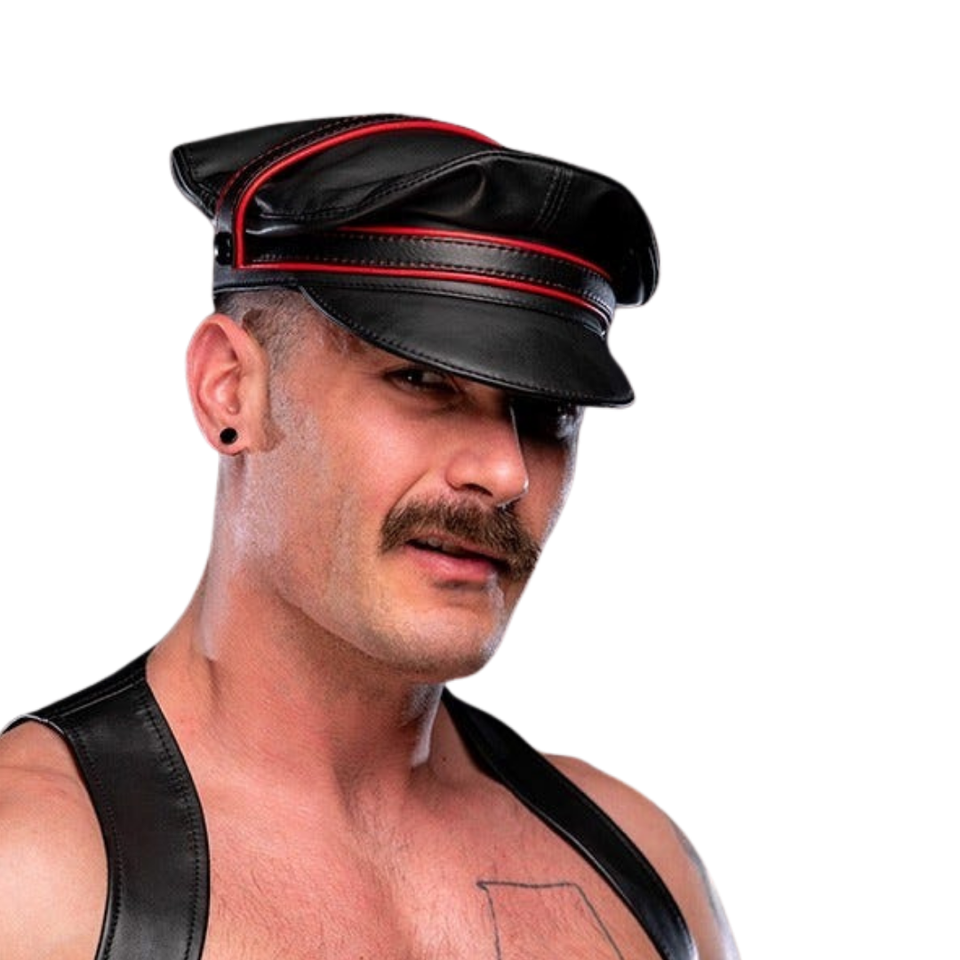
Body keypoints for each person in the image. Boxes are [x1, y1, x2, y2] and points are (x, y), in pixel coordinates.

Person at [0, 114, 739, 960]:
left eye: (547, 412)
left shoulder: (640, 875)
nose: (507, 472)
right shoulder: (35, 878)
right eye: (421, 380)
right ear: (231, 390)